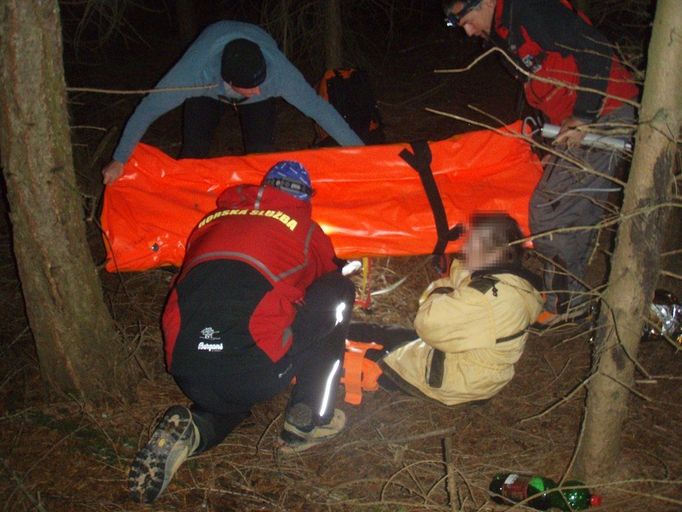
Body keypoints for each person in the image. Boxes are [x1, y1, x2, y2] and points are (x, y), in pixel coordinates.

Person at [128, 160, 356, 503]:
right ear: (305, 196)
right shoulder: (306, 228)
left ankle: (193, 431)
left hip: (188, 366)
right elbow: (323, 281)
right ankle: (309, 418)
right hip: (253, 368)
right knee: (337, 291)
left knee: (230, 393)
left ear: (263, 188)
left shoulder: (209, 221)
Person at [442, 0, 639, 326]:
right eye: (458, 24)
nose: (468, 30)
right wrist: (556, 139)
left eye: (468, 19)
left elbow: (596, 50)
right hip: (577, 124)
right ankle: (571, 296)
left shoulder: (531, 11)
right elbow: (546, 83)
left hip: (605, 113)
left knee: (550, 207)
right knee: (576, 207)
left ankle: (564, 301)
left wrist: (584, 117)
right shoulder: (504, 33)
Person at [102, 21, 364, 184]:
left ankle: (260, 213)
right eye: (250, 87)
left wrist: (362, 152)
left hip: (250, 56)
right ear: (229, 81)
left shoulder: (279, 74)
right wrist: (119, 158)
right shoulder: (193, 73)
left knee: (261, 151)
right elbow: (149, 107)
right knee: (194, 149)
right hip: (208, 91)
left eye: (261, 81)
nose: (259, 89)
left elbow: (320, 110)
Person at [348, 213, 543, 406]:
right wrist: (462, 270)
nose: (465, 248)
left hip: (457, 380)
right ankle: (344, 330)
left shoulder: (485, 298)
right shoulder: (512, 285)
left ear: (494, 252)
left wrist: (439, 291)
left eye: (472, 243)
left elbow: (427, 323)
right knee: (384, 334)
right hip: (477, 372)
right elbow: (465, 283)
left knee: (366, 354)